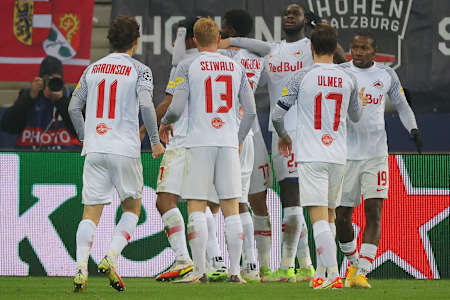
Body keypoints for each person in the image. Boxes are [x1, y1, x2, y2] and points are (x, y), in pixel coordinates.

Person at [68, 15, 165, 292]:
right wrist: (155, 141)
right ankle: (111, 257)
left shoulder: (92, 69)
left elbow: (74, 107)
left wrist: (88, 138)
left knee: (90, 212)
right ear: (136, 41)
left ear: (109, 41)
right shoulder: (140, 70)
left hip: (96, 148)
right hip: (124, 148)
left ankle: (80, 270)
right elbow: (146, 105)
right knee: (132, 208)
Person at [223, 4, 316, 283]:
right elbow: (253, 76)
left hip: (304, 131)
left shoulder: (312, 47)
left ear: (304, 20)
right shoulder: (270, 53)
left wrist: (319, 28)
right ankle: (270, 267)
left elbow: (334, 54)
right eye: (286, 13)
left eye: (295, 13)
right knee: (263, 198)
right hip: (276, 132)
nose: (289, 16)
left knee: (294, 197)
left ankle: (297, 265)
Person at [159, 17, 256, 284]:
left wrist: (165, 122)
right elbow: (250, 110)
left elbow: (176, 108)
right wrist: (237, 138)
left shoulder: (186, 65)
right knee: (231, 208)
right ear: (217, 38)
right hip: (227, 142)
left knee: (196, 207)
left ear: (194, 39)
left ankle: (199, 270)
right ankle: (236, 271)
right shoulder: (235, 66)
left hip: (199, 142)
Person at [271, 24, 367, 289]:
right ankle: (323, 274)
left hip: (312, 154)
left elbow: (278, 115)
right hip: (338, 155)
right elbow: (356, 116)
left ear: (311, 47)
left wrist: (283, 135)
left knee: (317, 216)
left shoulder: (301, 76)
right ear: (336, 48)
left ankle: (333, 274)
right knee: (330, 214)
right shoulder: (349, 78)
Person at [335, 32, 422, 288]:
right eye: (354, 47)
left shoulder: (386, 75)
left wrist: (413, 130)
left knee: (373, 211)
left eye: (363, 48)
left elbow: (402, 105)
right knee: (342, 217)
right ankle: (352, 263)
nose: (358, 52)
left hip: (375, 155)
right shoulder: (341, 72)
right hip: (345, 155)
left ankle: (362, 270)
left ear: (374, 52)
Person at [151, 17, 199, 282]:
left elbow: (171, 102)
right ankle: (210, 264)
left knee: (164, 200)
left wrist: (146, 129)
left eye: (178, 37)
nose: (173, 43)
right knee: (202, 206)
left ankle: (183, 259)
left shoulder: (184, 64)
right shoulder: (220, 62)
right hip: (208, 143)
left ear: (189, 39)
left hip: (181, 143)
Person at [1, 56, 81, 150]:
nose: (51, 84)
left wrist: (61, 101)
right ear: (40, 80)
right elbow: (8, 126)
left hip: (65, 159)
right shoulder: (28, 96)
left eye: (56, 81)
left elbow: (82, 131)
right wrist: (29, 98)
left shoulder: (71, 97)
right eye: (48, 80)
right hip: (30, 157)